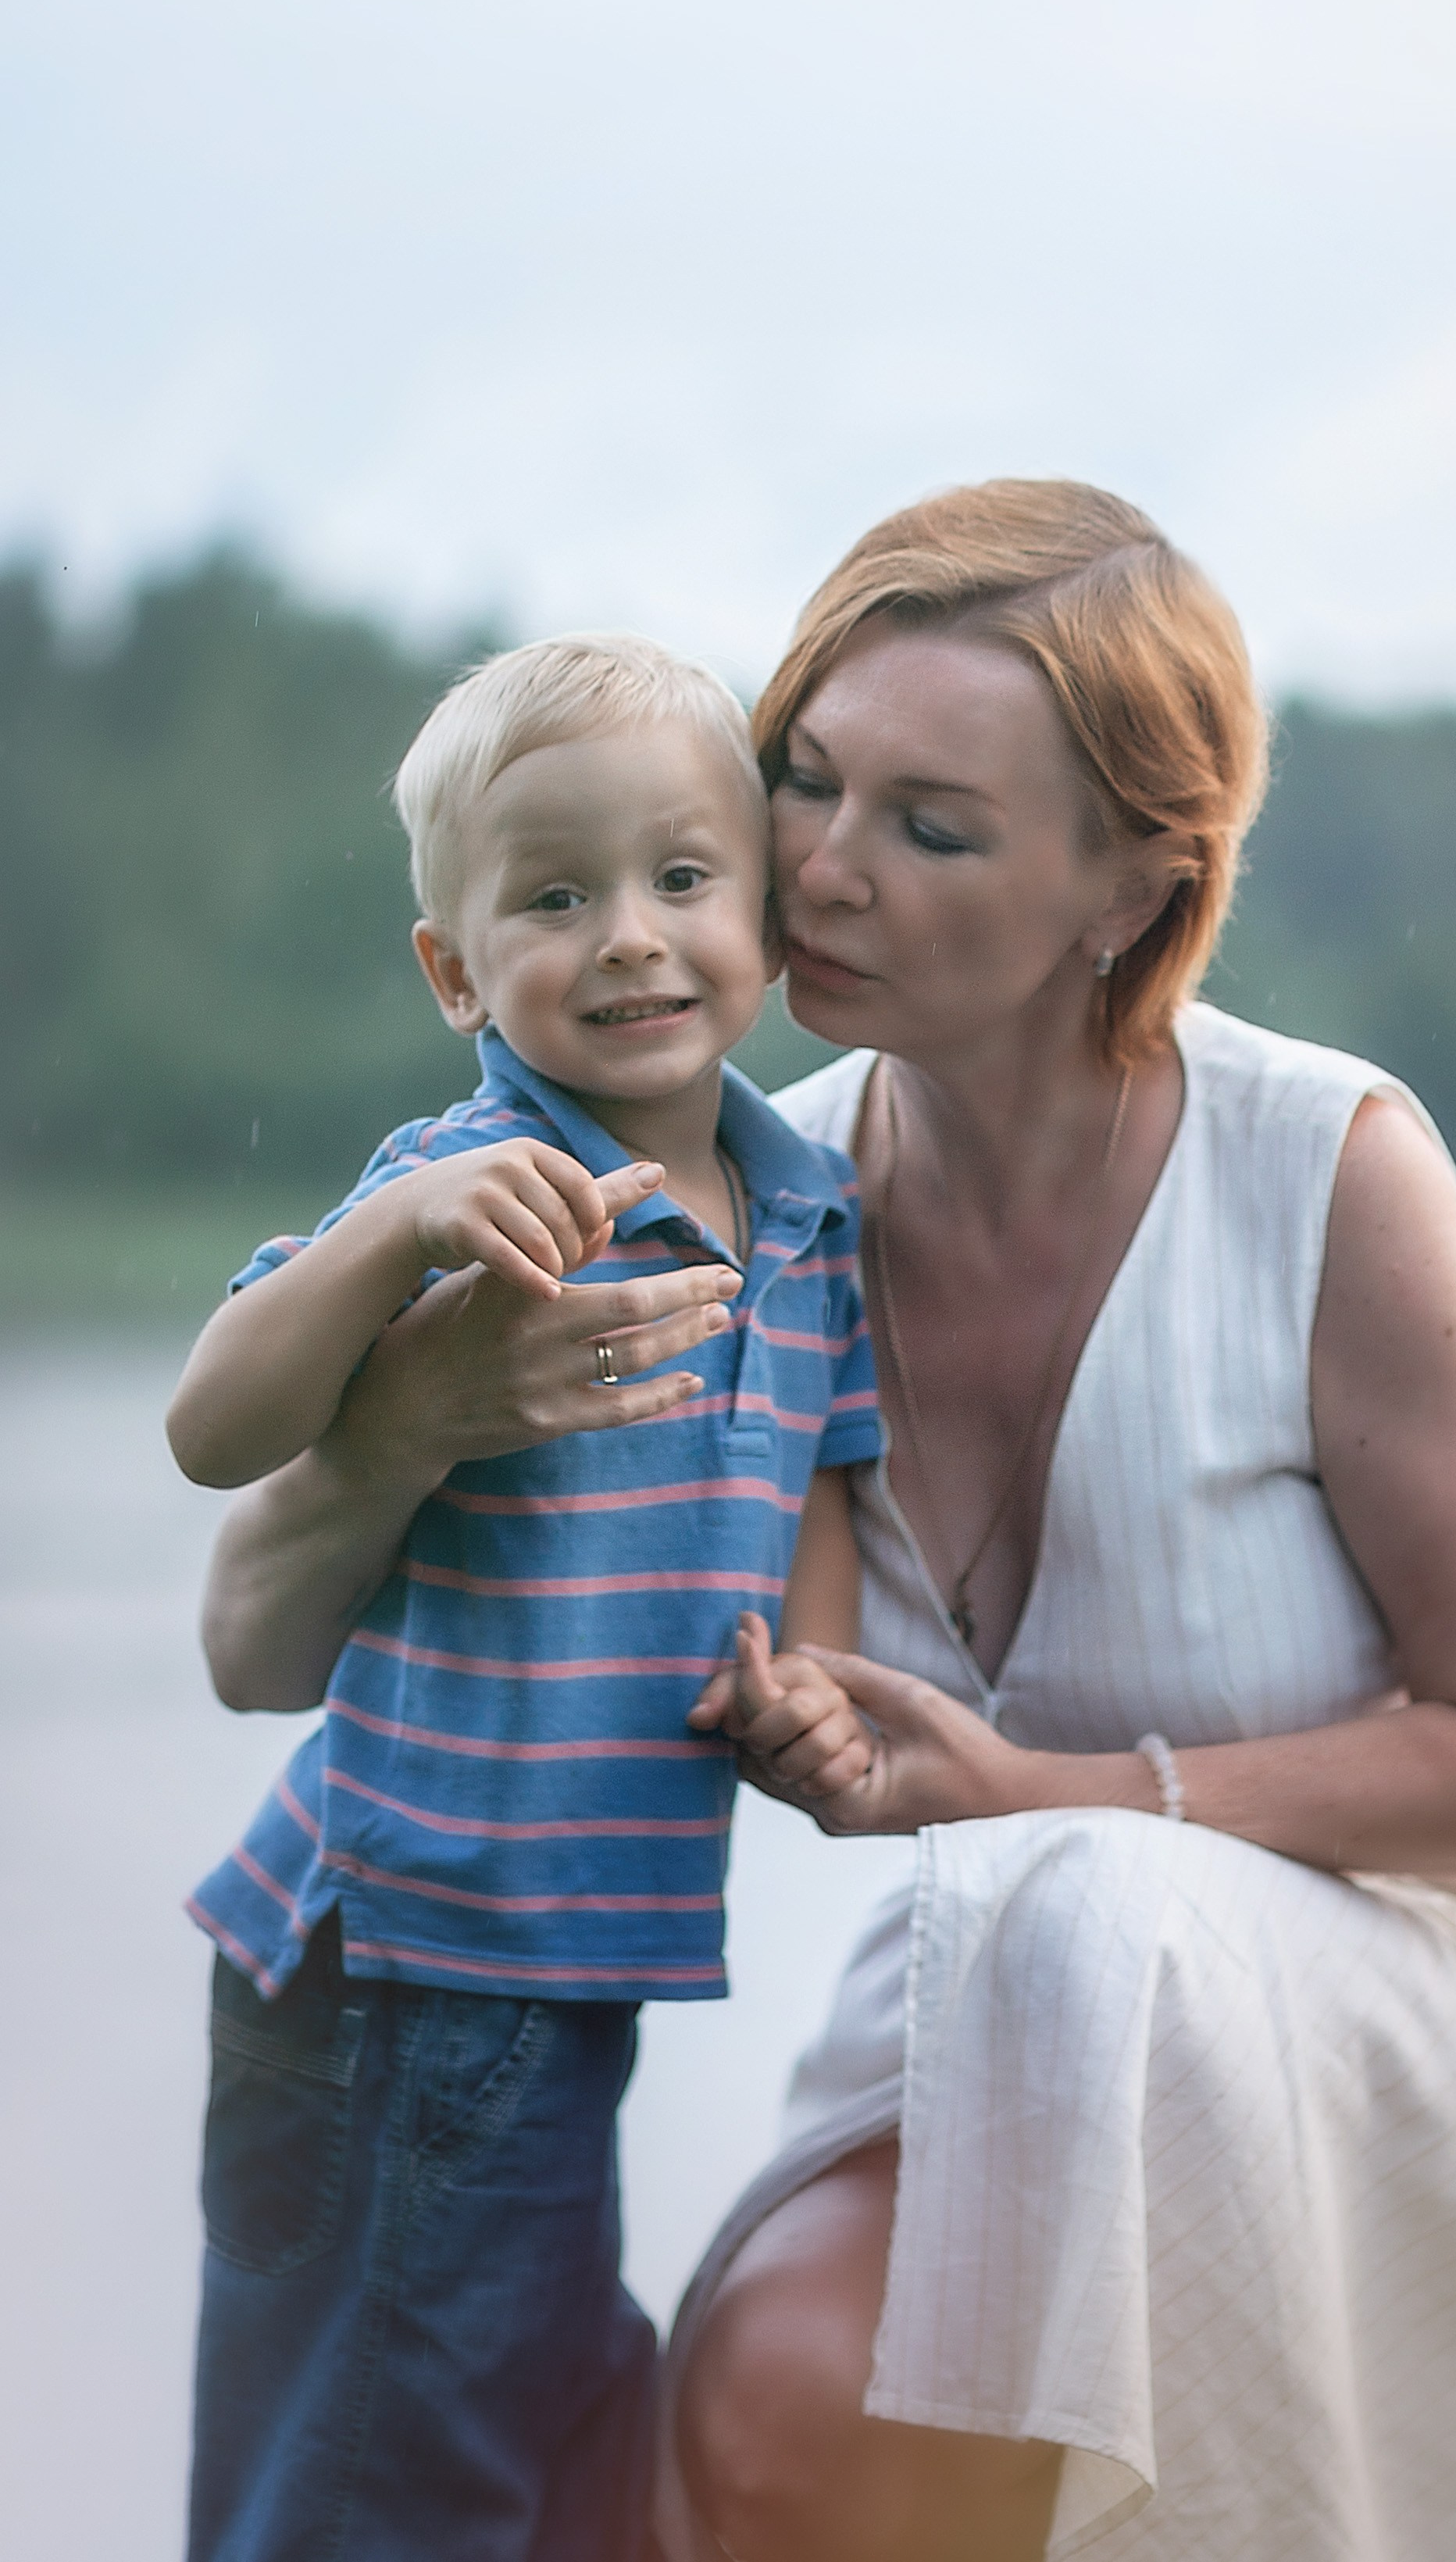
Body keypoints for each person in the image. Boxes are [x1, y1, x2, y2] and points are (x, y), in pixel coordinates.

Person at [198, 484, 1456, 2562]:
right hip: (1020, 2018)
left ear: (1127, 886)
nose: (818, 872)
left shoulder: (1329, 1170)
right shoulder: (760, 1192)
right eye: (809, 782)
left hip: (1434, 2007)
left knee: (1090, 1906)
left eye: (932, 829)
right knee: (767, 2397)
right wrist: (414, 1418)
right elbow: (254, 1629)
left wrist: (1035, 1789)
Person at [165, 633, 883, 2562]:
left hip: (572, 1954)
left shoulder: (808, 1212)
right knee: (375, 2478)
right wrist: (385, 1232)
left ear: (763, 913)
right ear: (456, 970)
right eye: (555, 898)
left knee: (548, 2444)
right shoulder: (475, 1173)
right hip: (408, 1943)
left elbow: (819, 1478)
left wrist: (800, 1677)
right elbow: (213, 1428)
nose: (632, 938)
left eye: (679, 879)